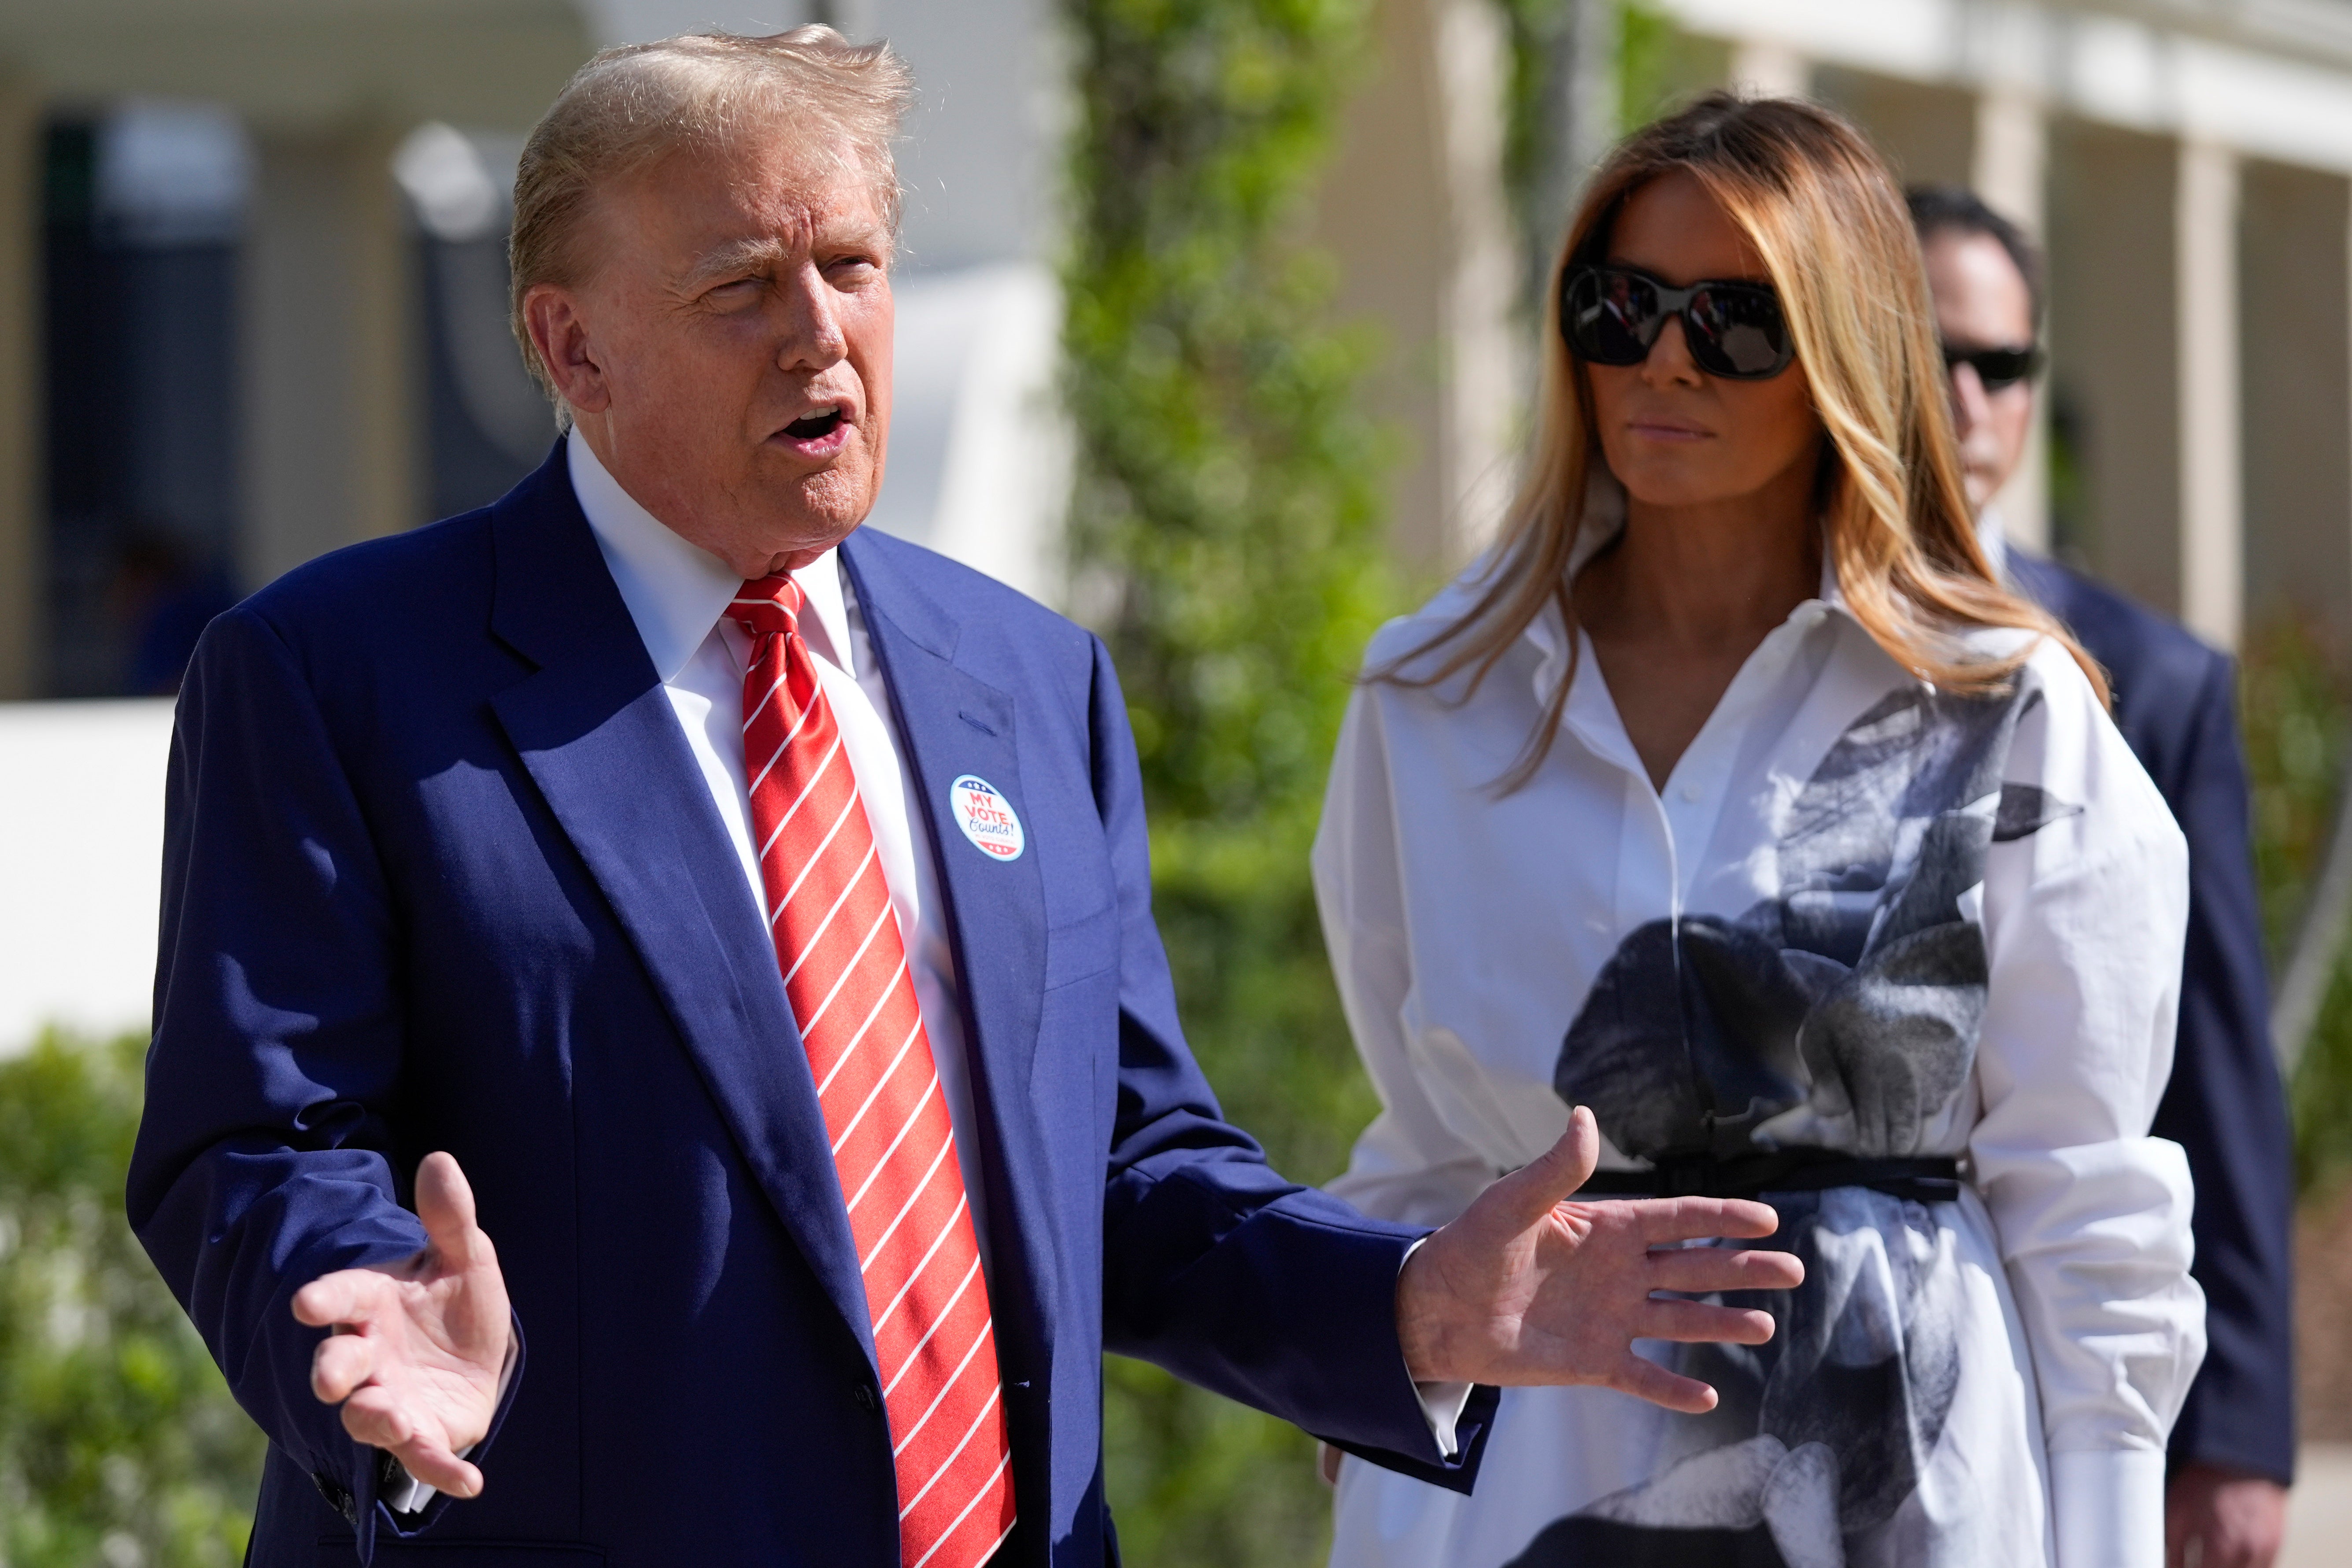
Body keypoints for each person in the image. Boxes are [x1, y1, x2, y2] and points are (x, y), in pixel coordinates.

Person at [125, 30, 1804, 1568]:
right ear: (571, 346)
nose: (822, 333)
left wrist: (1405, 1307)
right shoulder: (340, 675)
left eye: (853, 267)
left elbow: (1127, 1168)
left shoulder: (1024, 678)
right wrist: (355, 1318)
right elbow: (259, 1138)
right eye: (739, 286)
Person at [1313, 93, 2205, 1568]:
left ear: (1843, 352)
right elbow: (1418, 1149)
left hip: (1899, 1473)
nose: (1663, 356)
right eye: (1621, 307)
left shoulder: (1999, 705)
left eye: (1734, 319)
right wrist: (1373, 1432)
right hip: (1518, 1469)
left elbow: (2087, 1196)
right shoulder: (1434, 692)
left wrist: (2107, 1533)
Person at [1910, 182, 2297, 1568]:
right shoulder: (1728, 651)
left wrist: (2238, 1430)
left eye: (1999, 364)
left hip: (2076, 1357)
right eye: (1924, 348)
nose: (1962, 395)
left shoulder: (2153, 682)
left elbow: (2209, 1066)